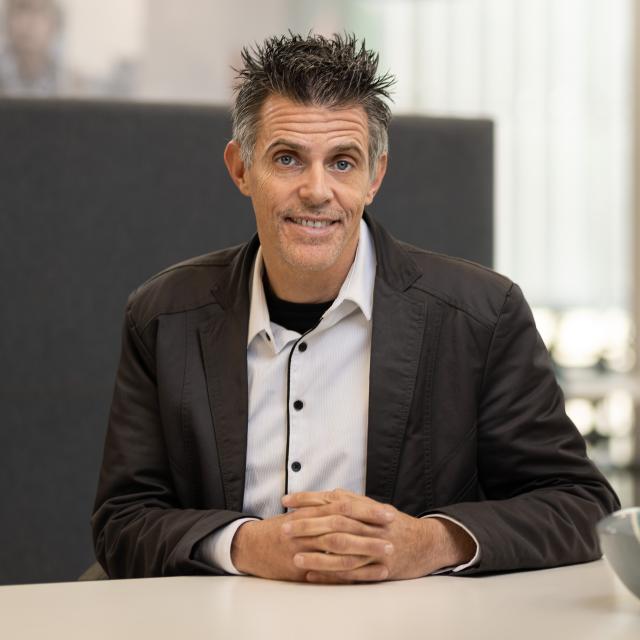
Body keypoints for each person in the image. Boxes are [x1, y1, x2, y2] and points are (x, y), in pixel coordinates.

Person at [91, 33, 619, 583]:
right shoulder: (162, 316)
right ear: (242, 168)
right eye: (288, 158)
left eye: (342, 162)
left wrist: (431, 542)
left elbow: (581, 506)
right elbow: (122, 521)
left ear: (376, 176)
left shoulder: (482, 316)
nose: (317, 191)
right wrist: (245, 546)